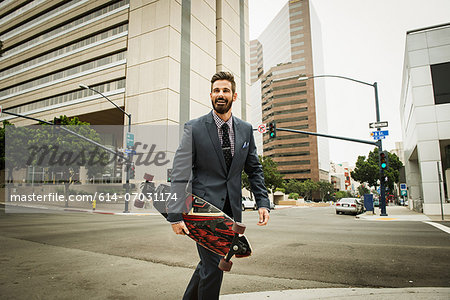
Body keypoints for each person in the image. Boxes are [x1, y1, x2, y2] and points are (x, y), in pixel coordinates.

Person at [167, 71, 270, 300]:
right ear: (210, 95)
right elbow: (180, 171)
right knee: (215, 266)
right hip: (202, 210)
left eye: (225, 90)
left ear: (234, 96)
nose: (220, 94)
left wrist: (262, 202)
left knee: (208, 265)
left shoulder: (245, 129)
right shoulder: (194, 128)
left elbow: (254, 168)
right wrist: (175, 215)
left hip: (231, 212)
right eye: (216, 91)